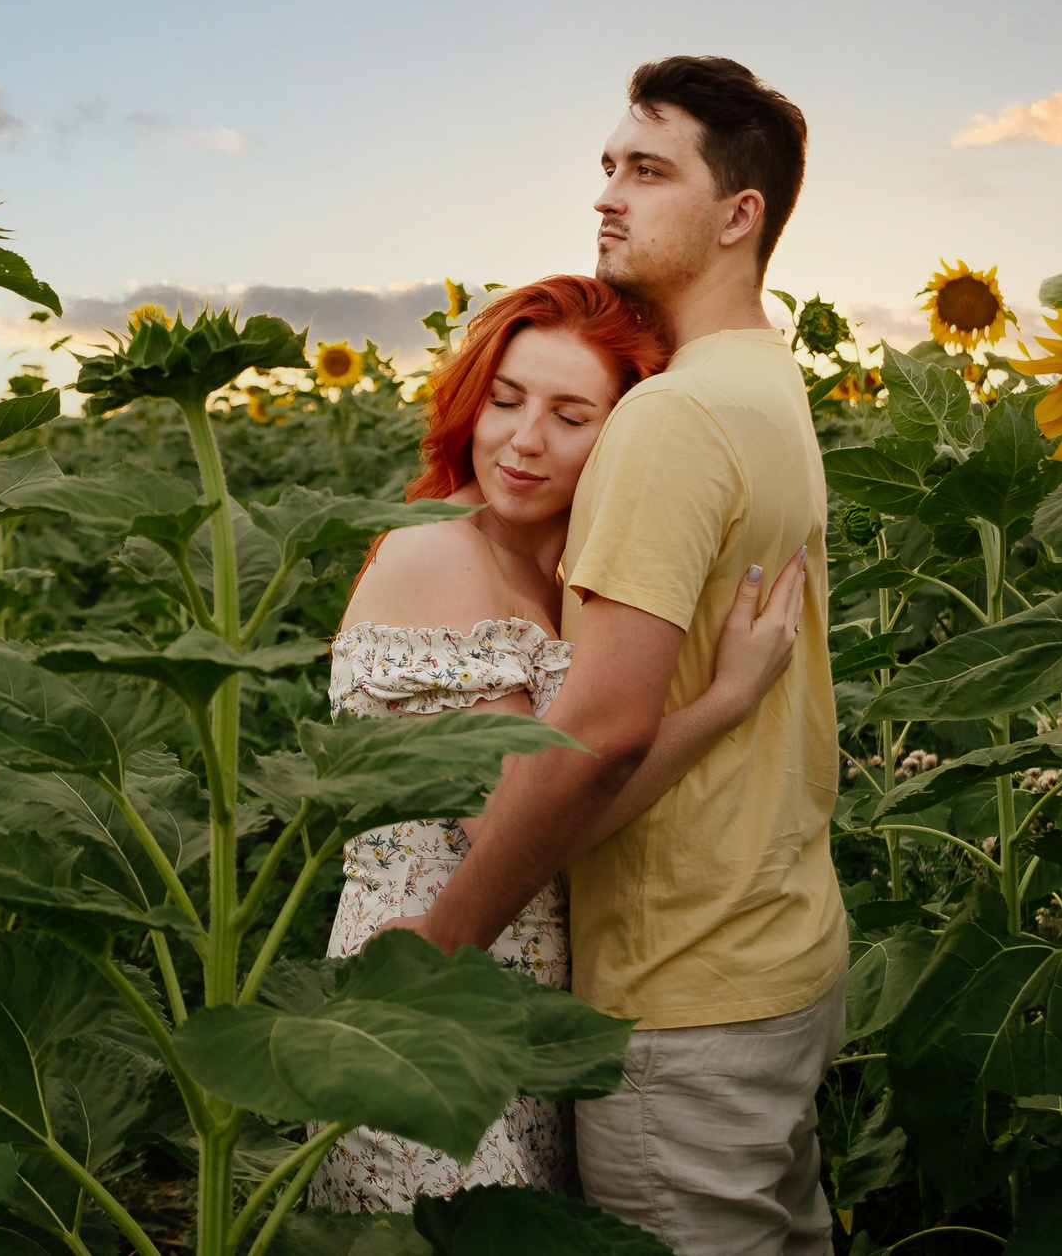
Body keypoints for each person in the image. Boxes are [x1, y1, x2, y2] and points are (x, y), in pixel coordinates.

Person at [396, 56, 846, 1255]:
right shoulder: (765, 389)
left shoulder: (673, 418)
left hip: (682, 983)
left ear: (739, 215)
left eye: (648, 171)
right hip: (779, 942)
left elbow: (597, 731)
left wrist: (436, 948)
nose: (608, 194)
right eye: (606, 167)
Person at [309, 273, 810, 1212]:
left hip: (524, 1013)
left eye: (571, 416)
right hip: (418, 1009)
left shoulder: (571, 583)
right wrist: (723, 700)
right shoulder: (438, 553)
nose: (523, 439)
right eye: (504, 400)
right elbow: (521, 813)